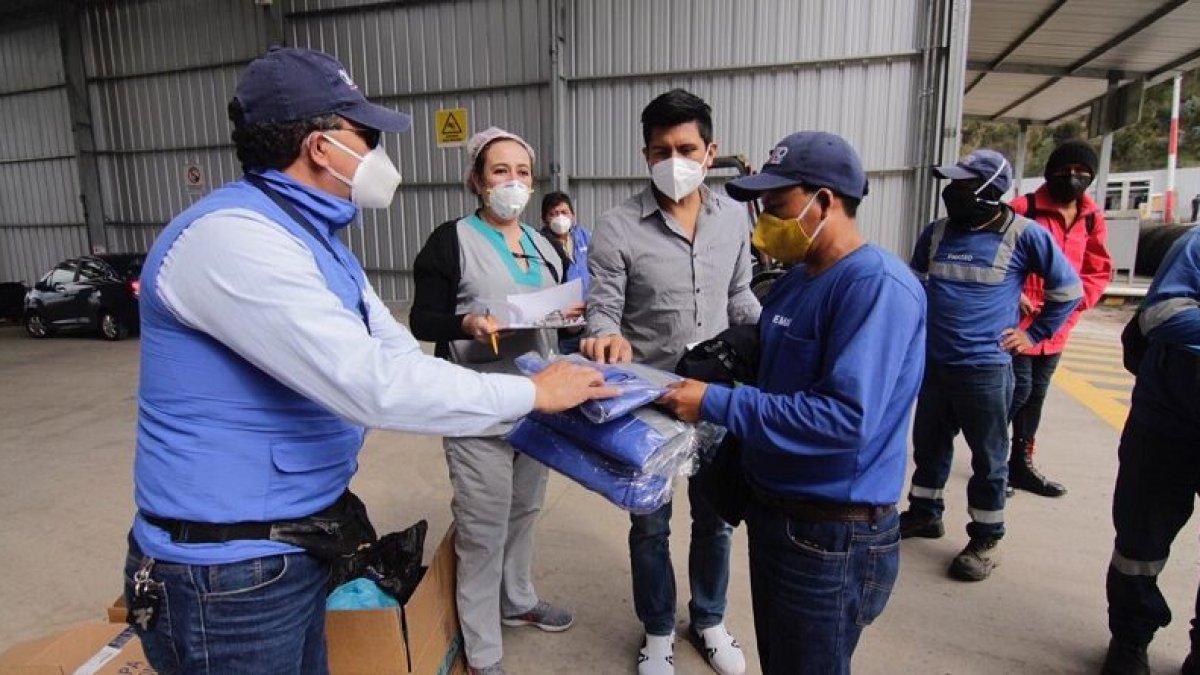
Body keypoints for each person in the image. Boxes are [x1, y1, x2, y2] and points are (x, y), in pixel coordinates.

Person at [123, 48, 613, 675]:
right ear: (321, 147)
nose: (380, 154)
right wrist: (534, 394)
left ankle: (513, 601)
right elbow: (373, 384)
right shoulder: (234, 239)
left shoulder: (316, 242)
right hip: (228, 577)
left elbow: (396, 353)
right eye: (368, 137)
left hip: (291, 546)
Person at [660, 131, 927, 675]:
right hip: (779, 518)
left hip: (829, 536)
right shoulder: (796, 281)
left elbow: (844, 419)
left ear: (824, 201)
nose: (764, 224)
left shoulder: (873, 287)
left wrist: (716, 403)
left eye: (777, 206)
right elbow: (776, 368)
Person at [581, 88, 760, 675]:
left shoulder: (732, 218)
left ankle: (708, 619)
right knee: (649, 523)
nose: (674, 161)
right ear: (646, 155)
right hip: (650, 400)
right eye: (662, 151)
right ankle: (657, 628)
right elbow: (603, 309)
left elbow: (739, 295)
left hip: (716, 396)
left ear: (710, 151)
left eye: (686, 148)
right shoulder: (617, 227)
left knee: (716, 519)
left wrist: (772, 338)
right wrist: (605, 336)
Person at [409, 127, 582, 675]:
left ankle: (517, 599)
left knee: (524, 511)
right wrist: (465, 322)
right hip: (478, 407)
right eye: (500, 171)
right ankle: (483, 651)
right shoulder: (451, 241)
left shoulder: (543, 244)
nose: (513, 182)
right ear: (478, 181)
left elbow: (559, 317)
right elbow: (422, 319)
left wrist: (576, 320)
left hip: (537, 404)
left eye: (522, 172)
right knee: (483, 528)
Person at [899, 149, 1082, 582]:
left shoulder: (1025, 235)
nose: (952, 191)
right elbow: (915, 285)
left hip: (984, 370)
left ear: (987, 189)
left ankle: (986, 537)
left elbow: (1068, 290)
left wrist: (1034, 335)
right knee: (929, 446)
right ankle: (925, 513)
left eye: (962, 183)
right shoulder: (936, 233)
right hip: (935, 364)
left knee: (989, 458)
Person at [1100, 227, 1200, 675]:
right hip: (1167, 425)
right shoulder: (1195, 245)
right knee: (1139, 546)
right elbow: (1160, 315)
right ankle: (1130, 638)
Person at [1006, 140, 1112, 498]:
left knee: (1036, 395)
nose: (1073, 177)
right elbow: (996, 257)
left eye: (1082, 172)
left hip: (1057, 326)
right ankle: (991, 463)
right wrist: (1014, 295)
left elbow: (1097, 270)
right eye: (1065, 171)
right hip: (1019, 323)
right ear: (1050, 172)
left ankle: (1020, 463)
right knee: (1016, 391)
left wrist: (1073, 304)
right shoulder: (1024, 209)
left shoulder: (1092, 217)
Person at [540, 191, 591, 353]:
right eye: (553, 214)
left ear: (573, 215)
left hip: (589, 318)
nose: (560, 217)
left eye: (564, 212)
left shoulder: (584, 236)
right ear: (544, 219)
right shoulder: (540, 244)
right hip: (563, 324)